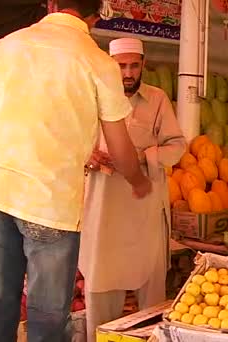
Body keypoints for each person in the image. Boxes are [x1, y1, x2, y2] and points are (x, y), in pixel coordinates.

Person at [0, 2, 152, 341]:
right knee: (48, 320)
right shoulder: (97, 62)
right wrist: (138, 180)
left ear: (51, 4)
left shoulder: (0, 49)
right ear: (96, 17)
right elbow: (119, 146)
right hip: (51, 206)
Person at [79, 37, 187, 341]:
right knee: (100, 284)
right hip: (103, 207)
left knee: (150, 288)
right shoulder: (92, 99)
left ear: (143, 65)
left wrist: (141, 157)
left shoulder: (157, 99)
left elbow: (177, 146)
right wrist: (88, 157)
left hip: (145, 206)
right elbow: (72, 146)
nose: (127, 73)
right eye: (121, 66)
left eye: (133, 66)